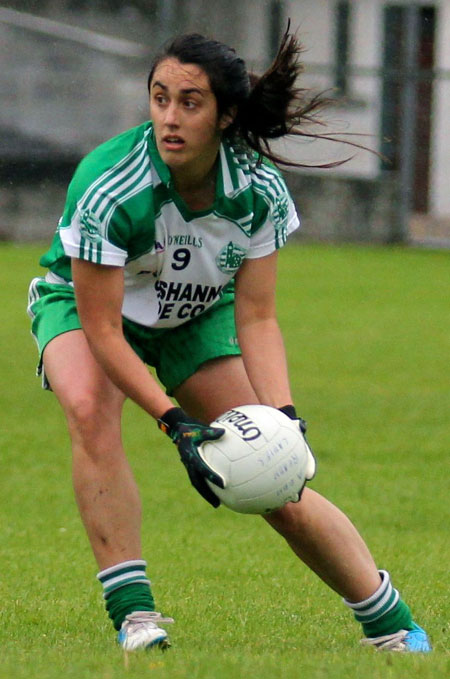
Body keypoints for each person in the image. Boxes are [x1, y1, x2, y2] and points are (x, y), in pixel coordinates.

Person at [27, 28, 431, 654]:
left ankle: (392, 624)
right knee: (89, 408)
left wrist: (284, 417)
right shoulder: (108, 184)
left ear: (226, 115)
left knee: (275, 474)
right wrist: (173, 422)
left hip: (195, 315)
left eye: (190, 102)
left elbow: (259, 317)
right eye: (159, 98)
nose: (169, 117)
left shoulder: (258, 189)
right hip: (89, 314)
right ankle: (137, 619)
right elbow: (104, 330)